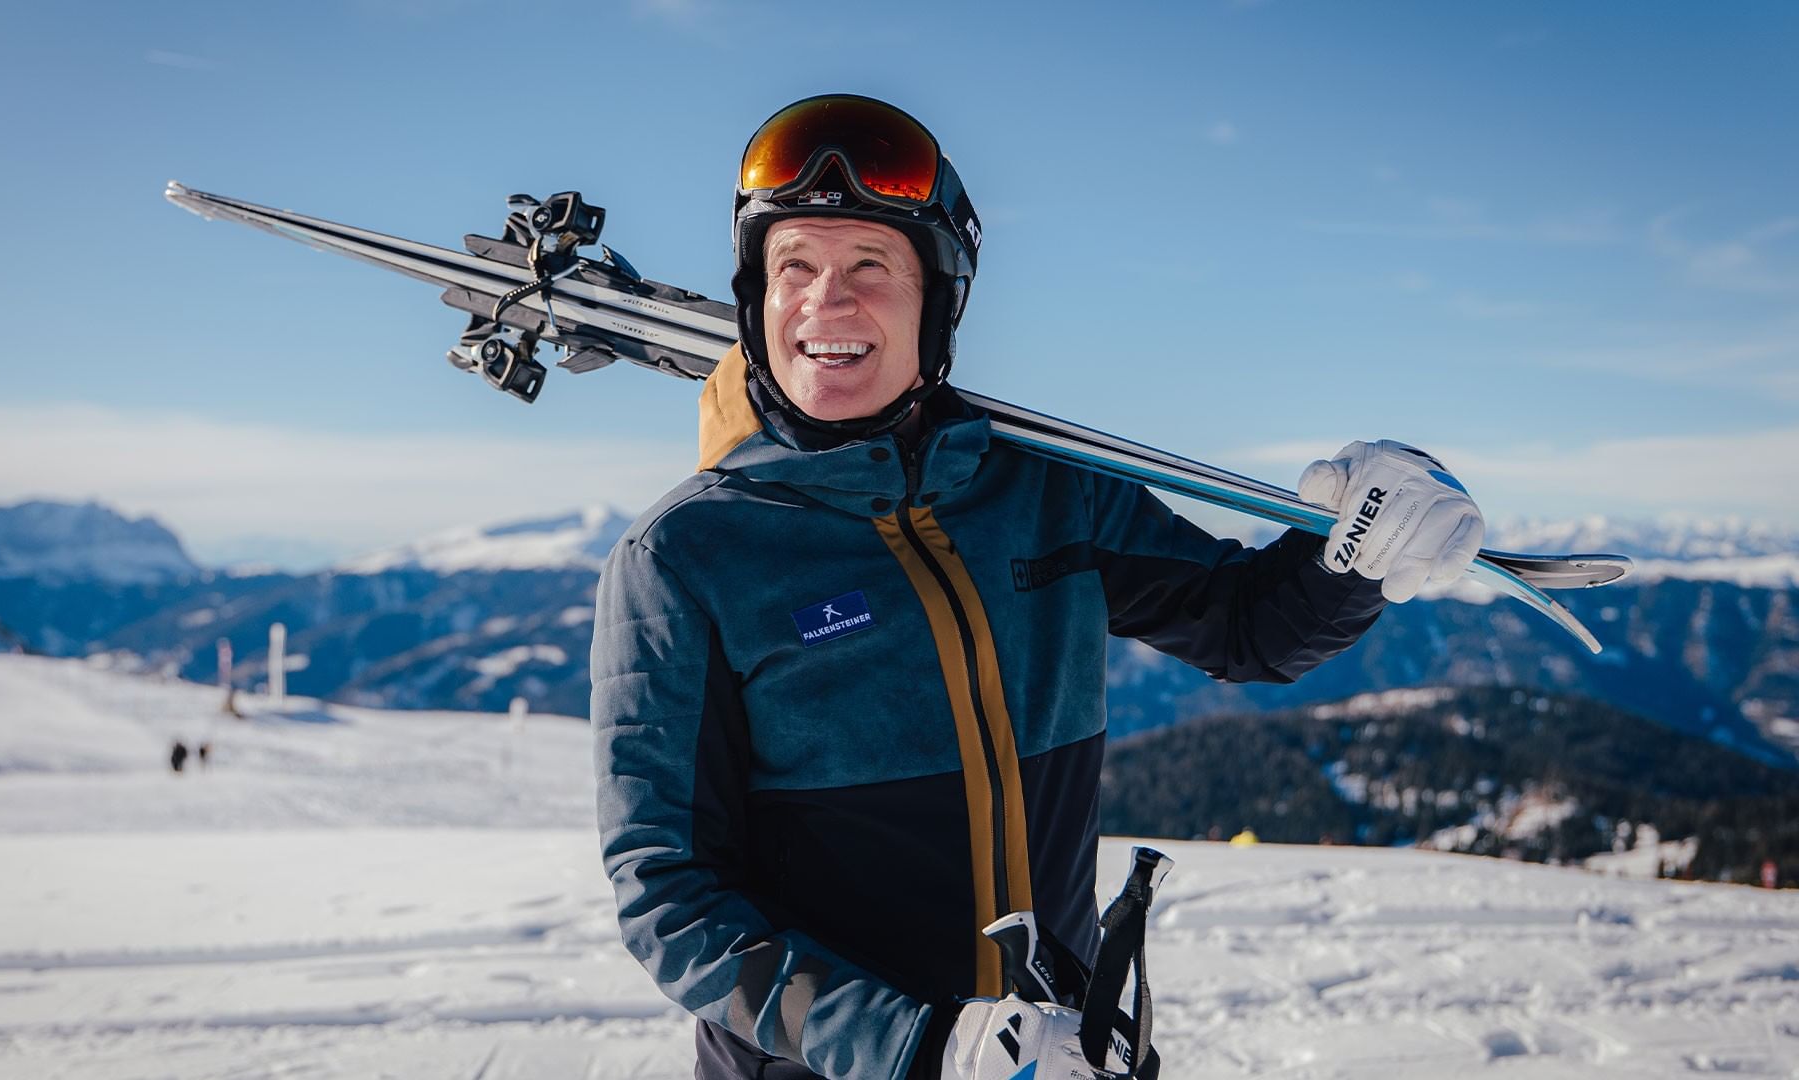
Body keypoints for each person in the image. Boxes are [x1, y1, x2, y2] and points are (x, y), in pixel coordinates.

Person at [591, 94, 1484, 1080]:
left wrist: (1353, 555)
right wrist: (927, 1048)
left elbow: (1249, 628)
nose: (825, 300)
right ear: (756, 300)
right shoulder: (687, 557)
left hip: (1061, 1053)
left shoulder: (1047, 494)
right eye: (792, 267)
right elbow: (673, 902)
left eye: (869, 267)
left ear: (939, 298)